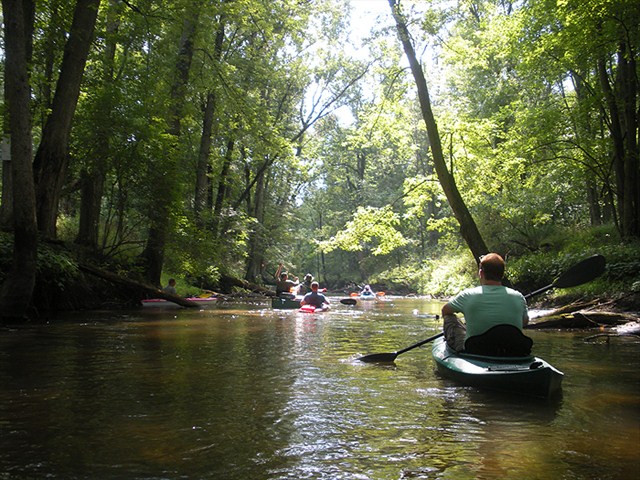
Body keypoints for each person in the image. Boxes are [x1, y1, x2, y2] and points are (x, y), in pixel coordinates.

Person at [441, 253, 529, 352]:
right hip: (511, 349)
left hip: (476, 349)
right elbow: (524, 322)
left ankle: (455, 349)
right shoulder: (519, 297)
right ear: (502, 274)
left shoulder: (467, 295)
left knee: (449, 317)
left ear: (481, 273)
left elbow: (445, 310)